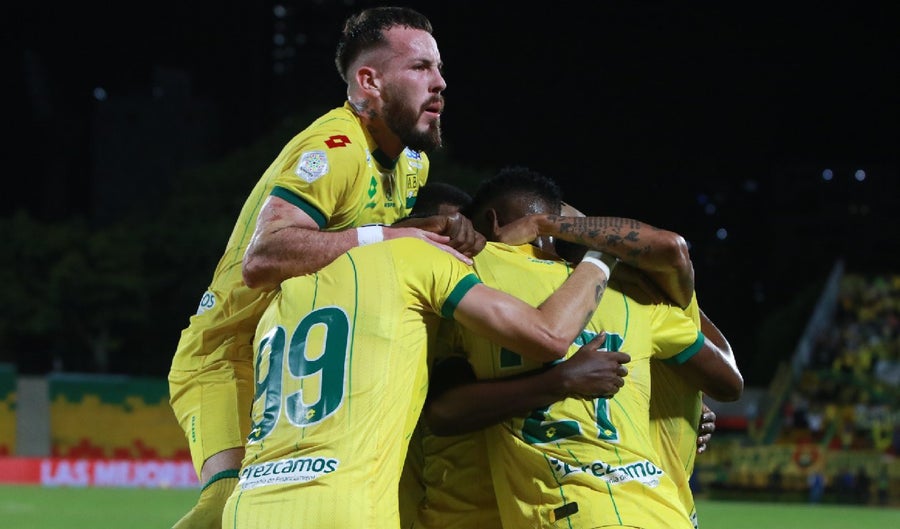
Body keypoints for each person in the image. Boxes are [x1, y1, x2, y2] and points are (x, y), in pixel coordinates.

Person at [167, 7, 483, 528]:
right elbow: (263, 257)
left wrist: (428, 226)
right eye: (420, 67)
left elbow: (363, 247)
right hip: (229, 354)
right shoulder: (334, 148)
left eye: (439, 67)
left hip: (303, 355)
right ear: (369, 82)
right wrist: (397, 235)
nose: (440, 82)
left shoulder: (412, 162)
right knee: (226, 507)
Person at [418, 167, 742, 528]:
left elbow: (445, 412)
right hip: (663, 511)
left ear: (490, 223)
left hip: (569, 512)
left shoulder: (467, 274)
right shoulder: (627, 290)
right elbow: (729, 382)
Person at [220, 233, 615, 528]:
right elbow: (549, 335)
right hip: (343, 504)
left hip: (248, 506)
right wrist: (604, 253)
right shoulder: (414, 257)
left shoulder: (279, 297)